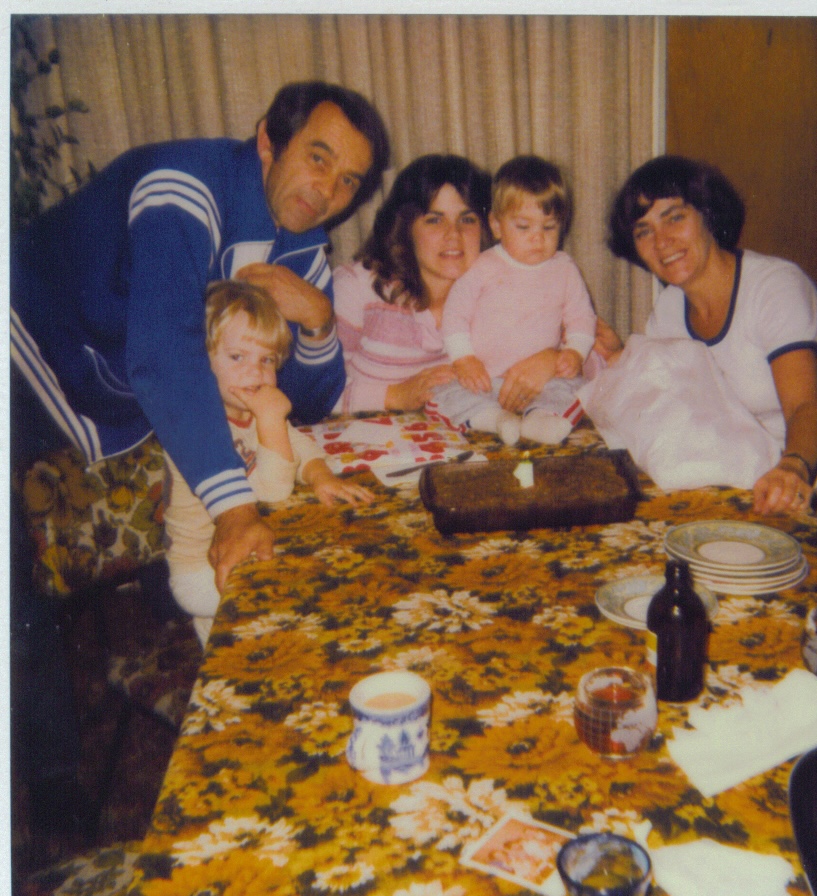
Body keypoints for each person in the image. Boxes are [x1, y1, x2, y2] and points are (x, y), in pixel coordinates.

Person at [10, 81, 389, 836]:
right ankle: (49, 785)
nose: (330, 190)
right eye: (318, 159)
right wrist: (235, 510)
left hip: (106, 390)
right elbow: (162, 353)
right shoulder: (184, 187)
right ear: (266, 141)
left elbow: (305, 401)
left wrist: (314, 318)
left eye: (349, 180)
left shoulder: (299, 243)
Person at [606, 154, 817, 655]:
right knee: (762, 641)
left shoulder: (774, 285)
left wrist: (793, 468)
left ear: (706, 215)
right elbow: (658, 397)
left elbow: (805, 407)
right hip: (749, 492)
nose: (662, 241)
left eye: (674, 216)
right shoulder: (670, 308)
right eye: (643, 230)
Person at [165, 280, 373, 645]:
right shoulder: (196, 424)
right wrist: (271, 418)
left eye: (266, 360)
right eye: (237, 357)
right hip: (202, 571)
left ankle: (218, 650)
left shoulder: (248, 410)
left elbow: (300, 446)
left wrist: (320, 475)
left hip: (236, 552)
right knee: (314, 590)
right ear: (202, 360)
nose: (255, 372)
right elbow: (272, 492)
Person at [425, 155, 598, 446]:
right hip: (484, 379)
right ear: (496, 225)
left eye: (549, 227)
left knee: (577, 389)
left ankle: (540, 420)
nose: (537, 239)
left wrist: (575, 353)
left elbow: (582, 318)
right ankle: (495, 420)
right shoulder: (483, 266)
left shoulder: (565, 269)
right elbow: (455, 315)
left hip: (542, 381)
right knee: (441, 398)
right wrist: (464, 358)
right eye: (524, 227)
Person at [334, 153, 492, 413]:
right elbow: (311, 395)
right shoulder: (357, 287)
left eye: (467, 219)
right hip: (362, 446)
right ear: (406, 227)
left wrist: (548, 361)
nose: (453, 234)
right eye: (434, 220)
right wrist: (394, 396)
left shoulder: (496, 292)